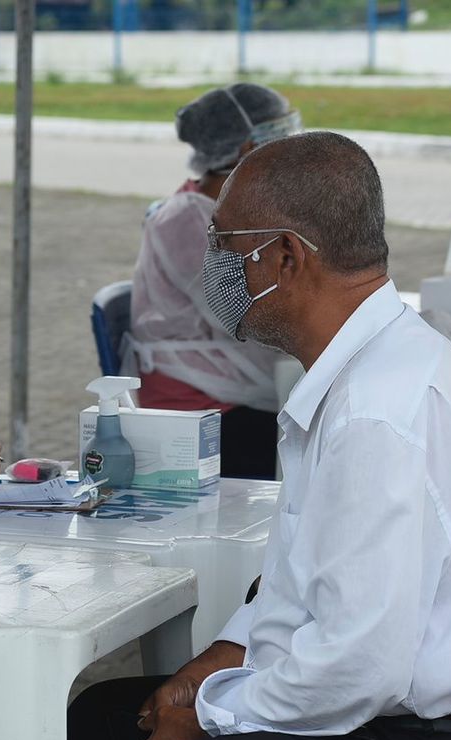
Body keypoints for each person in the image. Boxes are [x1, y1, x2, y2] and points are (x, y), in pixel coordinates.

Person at [60, 132, 451, 740]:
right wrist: (216, 660)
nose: (214, 268)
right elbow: (303, 579)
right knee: (97, 724)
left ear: (285, 255)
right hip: (393, 718)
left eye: (225, 247)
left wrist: (207, 717)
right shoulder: (371, 364)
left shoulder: (377, 413)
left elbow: (357, 665)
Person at [124, 83, 301, 480]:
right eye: (280, 134)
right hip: (201, 410)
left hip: (231, 389)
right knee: (319, 448)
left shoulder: (238, 210)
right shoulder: (191, 222)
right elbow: (254, 314)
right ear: (246, 149)